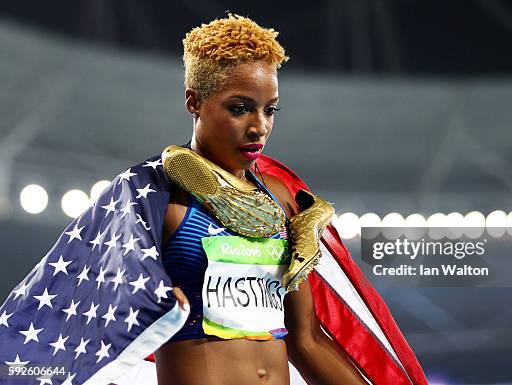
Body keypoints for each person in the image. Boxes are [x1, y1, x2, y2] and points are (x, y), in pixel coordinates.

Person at [0, 14, 426, 385]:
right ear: (194, 102)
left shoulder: (280, 202)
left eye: (270, 110)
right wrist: (150, 298)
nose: (259, 127)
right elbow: (78, 315)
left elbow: (307, 341)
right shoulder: (151, 200)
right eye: (240, 108)